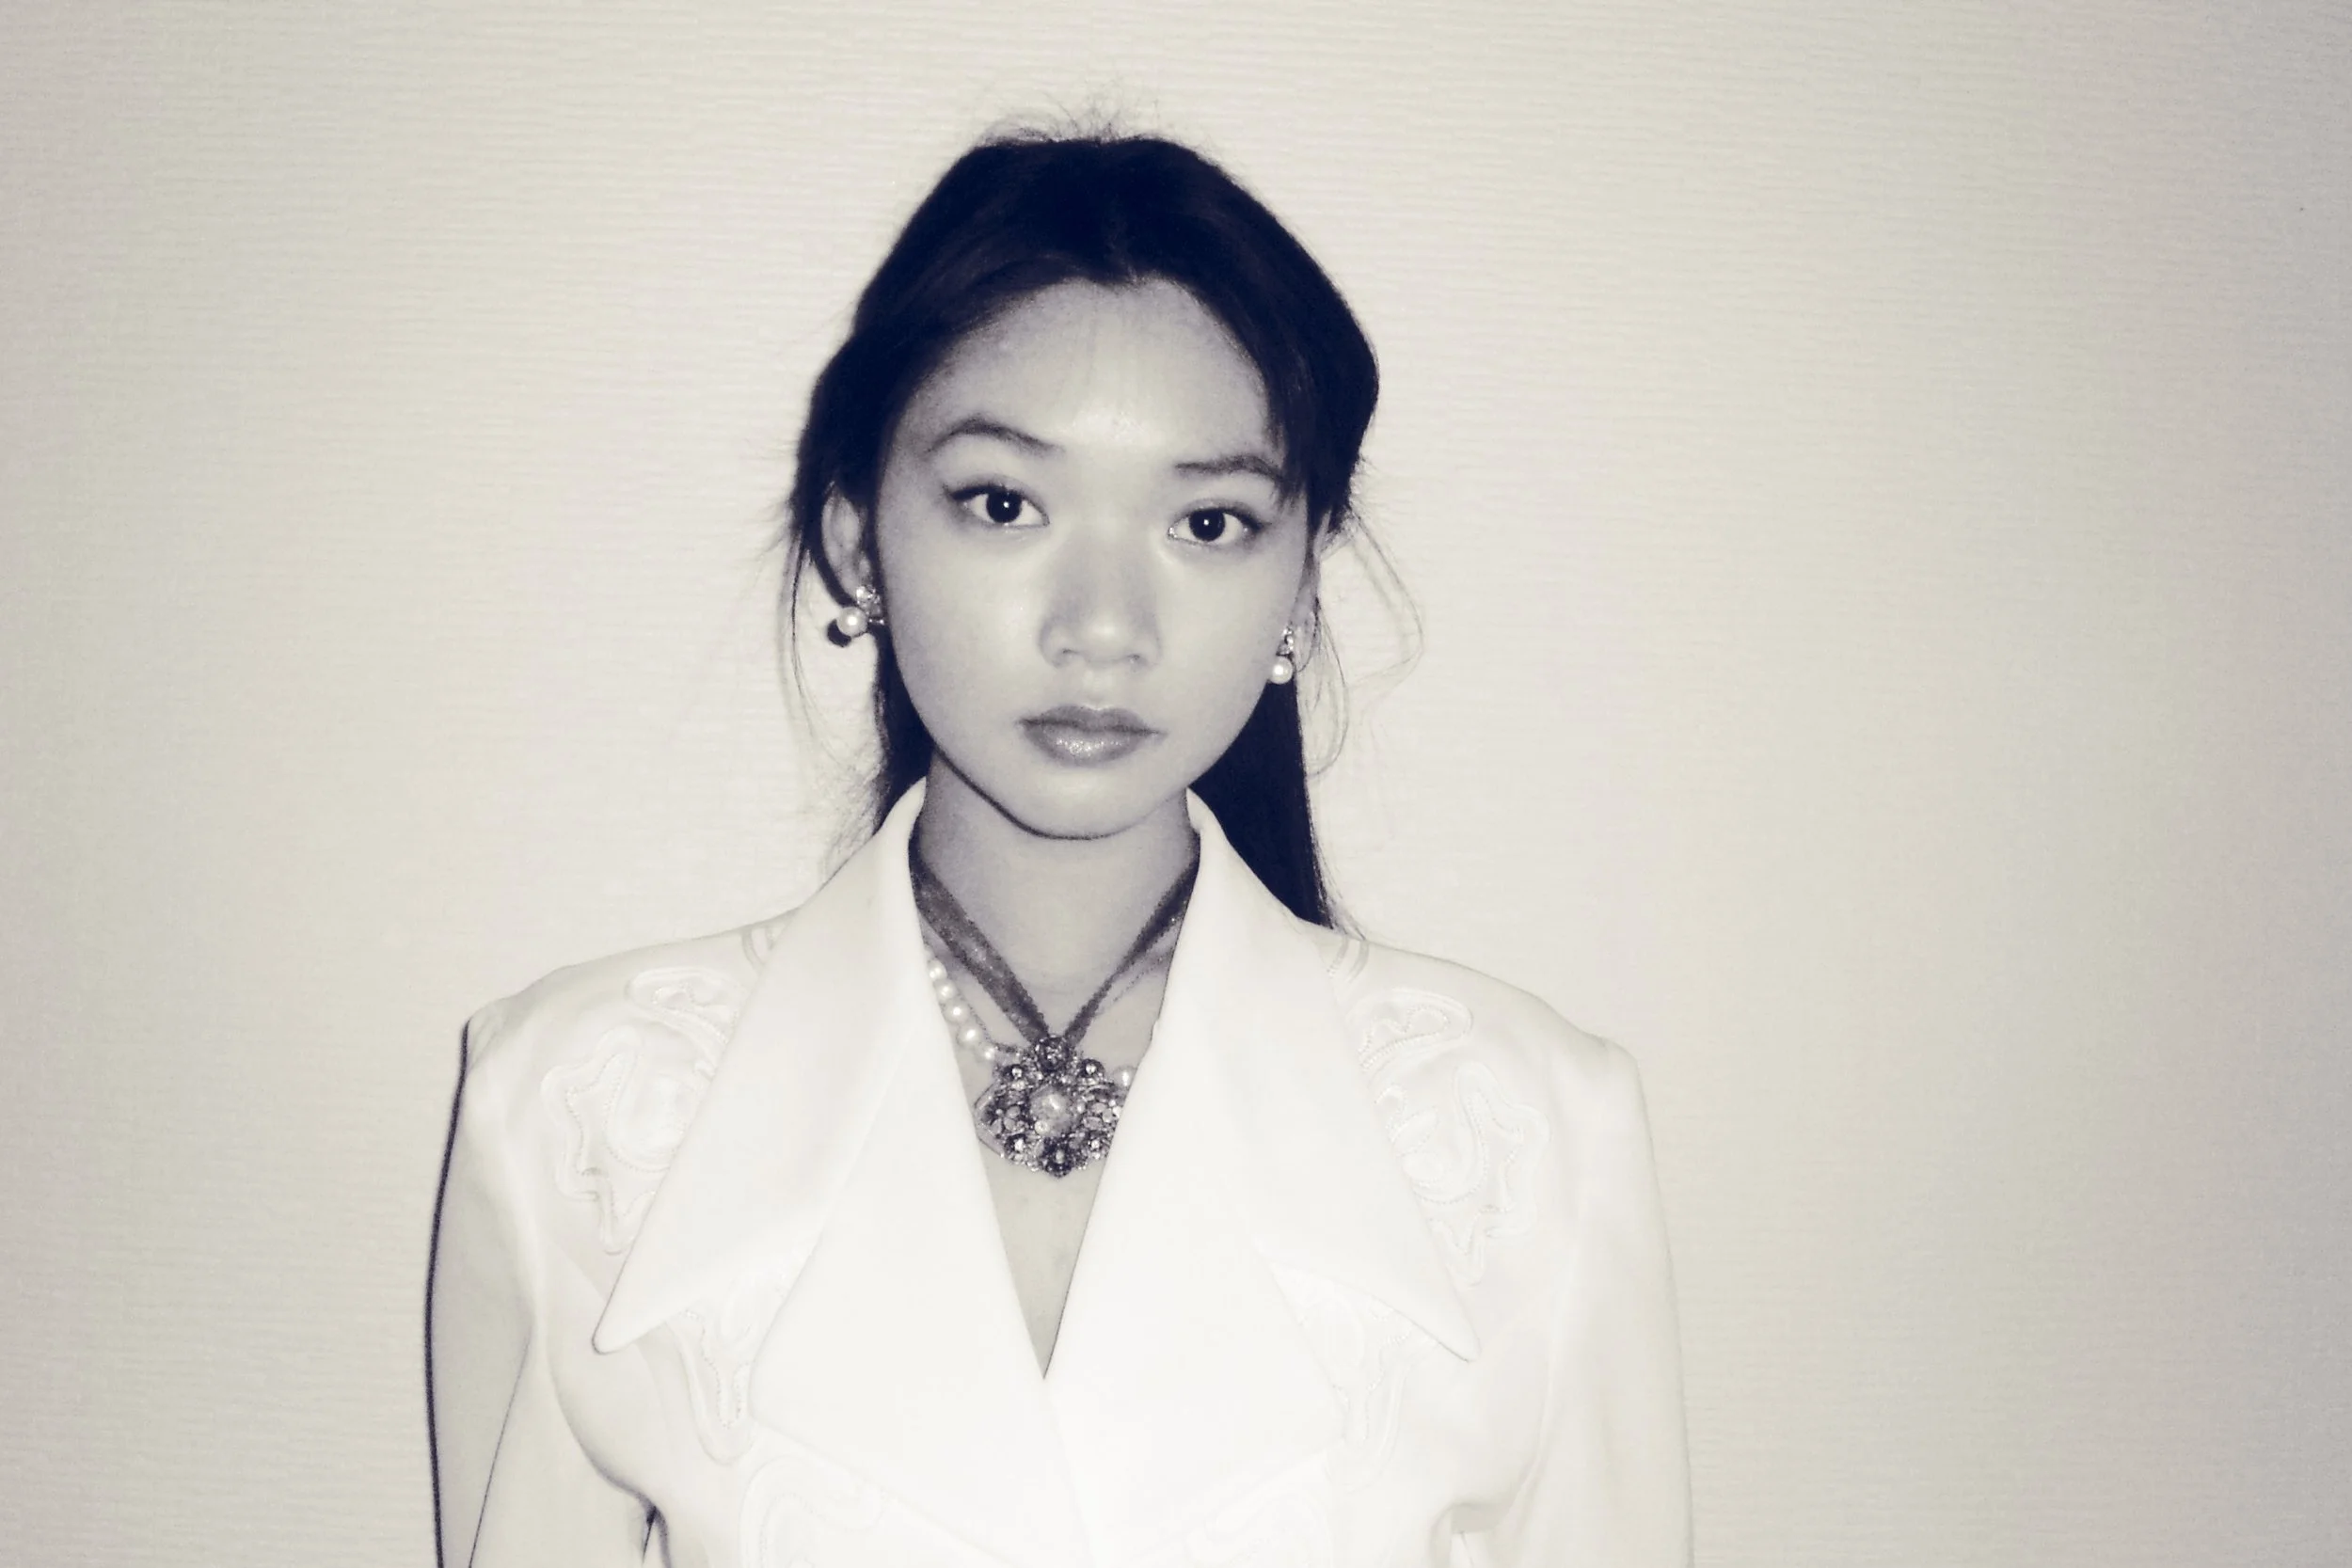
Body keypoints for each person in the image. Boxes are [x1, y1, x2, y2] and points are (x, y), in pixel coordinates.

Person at [427, 129, 1691, 1568]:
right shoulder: (579, 1111)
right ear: (857, 539)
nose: (1105, 623)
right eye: (1004, 502)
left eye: (1209, 520)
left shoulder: (1527, 1135)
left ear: (1300, 580)